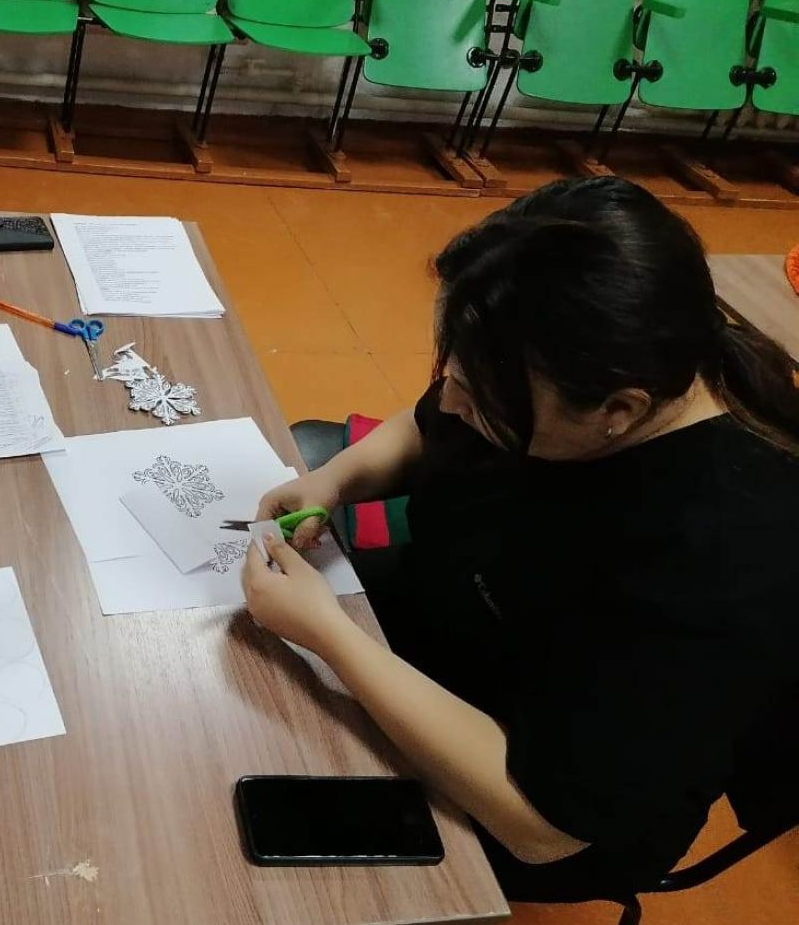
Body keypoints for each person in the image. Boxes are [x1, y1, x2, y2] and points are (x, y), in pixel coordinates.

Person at [241, 177, 799, 902]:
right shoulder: (582, 367)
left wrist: (331, 637)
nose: (450, 402)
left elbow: (543, 827)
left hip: (521, 794)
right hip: (447, 635)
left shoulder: (722, 564)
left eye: (476, 396)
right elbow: (427, 423)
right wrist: (334, 481)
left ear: (618, 411)